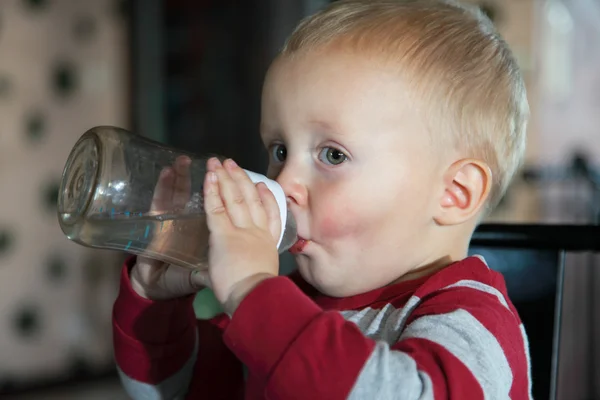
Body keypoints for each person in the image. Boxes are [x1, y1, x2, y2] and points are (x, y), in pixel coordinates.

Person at [112, 0, 531, 398]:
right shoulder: (290, 304)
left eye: (333, 155)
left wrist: (252, 289)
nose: (284, 182)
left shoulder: (474, 325)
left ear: (454, 194)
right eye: (279, 151)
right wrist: (156, 303)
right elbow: (179, 390)